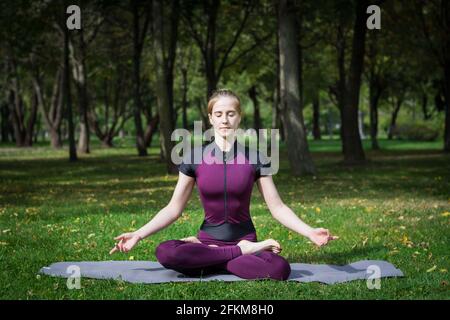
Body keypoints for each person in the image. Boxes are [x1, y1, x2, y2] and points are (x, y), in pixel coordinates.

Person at [109, 89, 338, 280]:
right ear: (210, 118)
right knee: (165, 252)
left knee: (279, 269)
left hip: (244, 241)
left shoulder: (256, 158)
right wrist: (138, 234)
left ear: (239, 117)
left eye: (231, 113)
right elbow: (173, 209)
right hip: (212, 243)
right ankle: (234, 255)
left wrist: (309, 231)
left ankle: (209, 261)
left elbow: (277, 207)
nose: (224, 119)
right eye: (218, 114)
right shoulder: (193, 157)